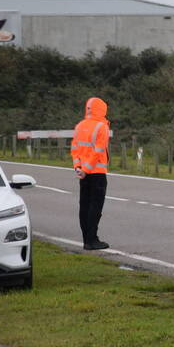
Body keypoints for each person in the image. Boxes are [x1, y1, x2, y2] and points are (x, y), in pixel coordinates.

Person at [70, 97, 110, 250]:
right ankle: (92, 240)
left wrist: (78, 167)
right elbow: (98, 151)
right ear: (102, 109)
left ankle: (86, 239)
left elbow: (74, 149)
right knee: (95, 206)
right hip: (97, 172)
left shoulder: (80, 126)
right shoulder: (102, 127)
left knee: (84, 206)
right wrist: (87, 169)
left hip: (82, 173)